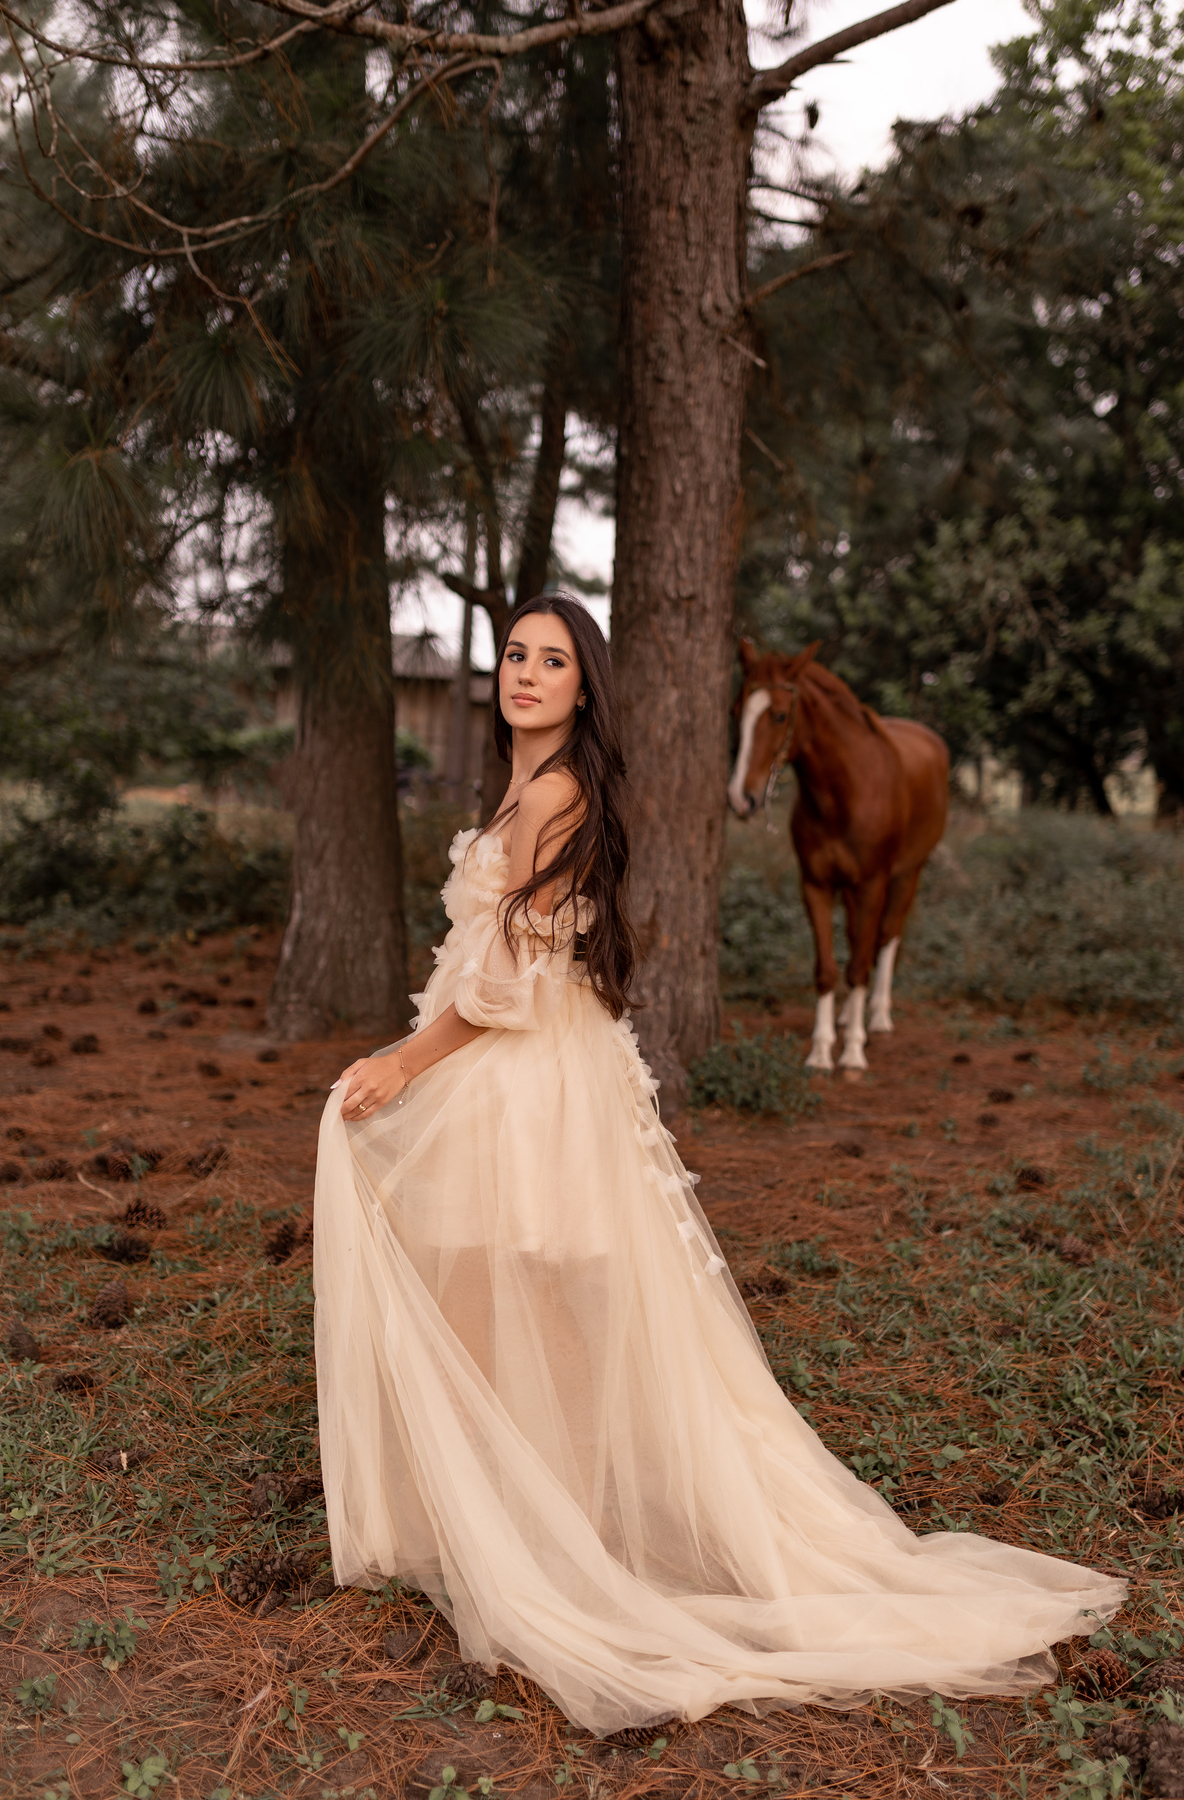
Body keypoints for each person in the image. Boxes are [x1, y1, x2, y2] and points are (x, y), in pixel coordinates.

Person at [313, 593, 1122, 1739]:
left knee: (531, 1285)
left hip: (526, 1065)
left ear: (585, 687)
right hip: (526, 1061)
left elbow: (509, 982)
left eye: (553, 661)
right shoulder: (519, 787)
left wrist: (407, 1059)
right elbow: (493, 957)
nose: (527, 674)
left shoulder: (553, 795)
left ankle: (549, 1537)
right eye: (514, 656)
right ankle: (505, 1515)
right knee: (494, 1283)